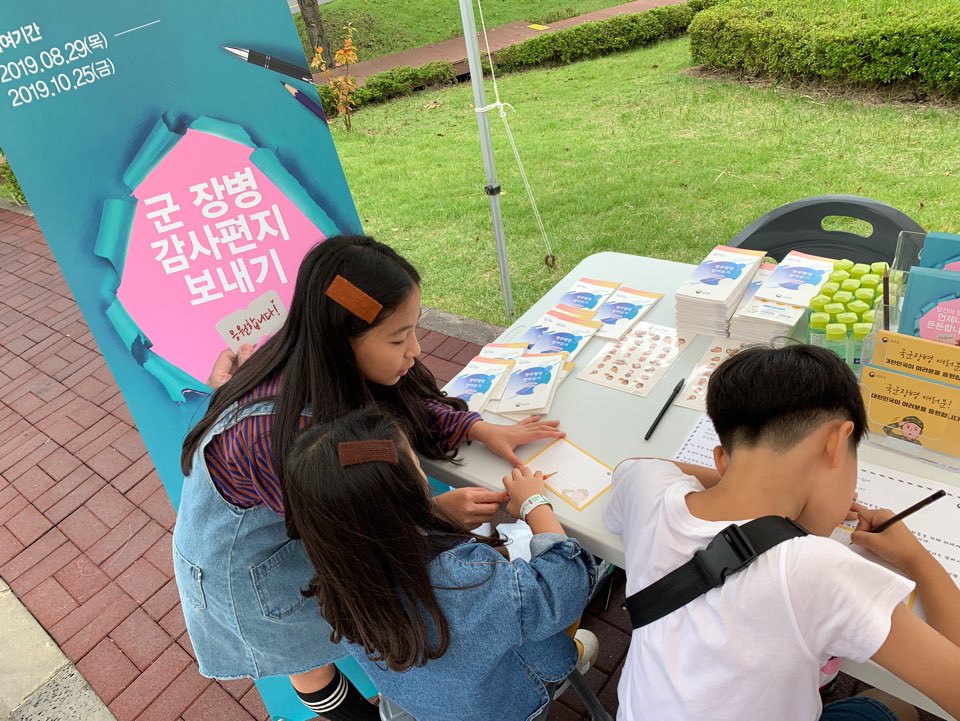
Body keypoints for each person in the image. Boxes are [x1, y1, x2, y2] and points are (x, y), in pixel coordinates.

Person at [174, 236, 565, 720]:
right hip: (249, 568)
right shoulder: (283, 437)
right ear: (343, 338)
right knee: (306, 660)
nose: (415, 351)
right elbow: (347, 529)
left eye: (415, 329)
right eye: (398, 339)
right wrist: (432, 513)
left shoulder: (326, 362)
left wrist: (477, 428)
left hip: (301, 528)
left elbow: (393, 412)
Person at [604, 344, 960, 721]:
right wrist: (916, 559)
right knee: (895, 707)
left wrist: (740, 483)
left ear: (721, 459)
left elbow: (635, 466)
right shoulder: (818, 571)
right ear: (837, 442)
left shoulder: (646, 489)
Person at [285, 405, 598, 721]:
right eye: (416, 466)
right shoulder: (465, 579)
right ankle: (555, 678)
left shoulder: (334, 581)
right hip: (511, 703)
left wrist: (432, 512)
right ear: (405, 493)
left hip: (442, 709)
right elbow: (563, 586)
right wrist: (534, 503)